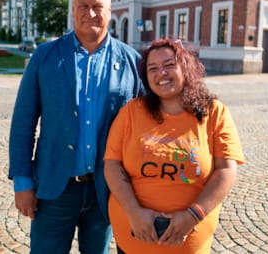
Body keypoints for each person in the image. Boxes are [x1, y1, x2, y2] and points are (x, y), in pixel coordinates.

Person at [8, 0, 144, 254]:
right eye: (82, 5)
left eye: (97, 6)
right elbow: (23, 123)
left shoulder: (132, 61)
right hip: (55, 187)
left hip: (107, 191)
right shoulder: (45, 56)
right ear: (72, 10)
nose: (90, 13)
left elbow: (151, 122)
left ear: (110, 11)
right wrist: (23, 182)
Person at [104, 39, 244, 254]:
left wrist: (193, 216)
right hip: (133, 240)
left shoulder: (214, 112)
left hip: (189, 244)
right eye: (153, 68)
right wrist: (134, 213)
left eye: (169, 65)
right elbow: (113, 165)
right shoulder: (132, 111)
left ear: (185, 67)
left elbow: (225, 170)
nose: (161, 73)